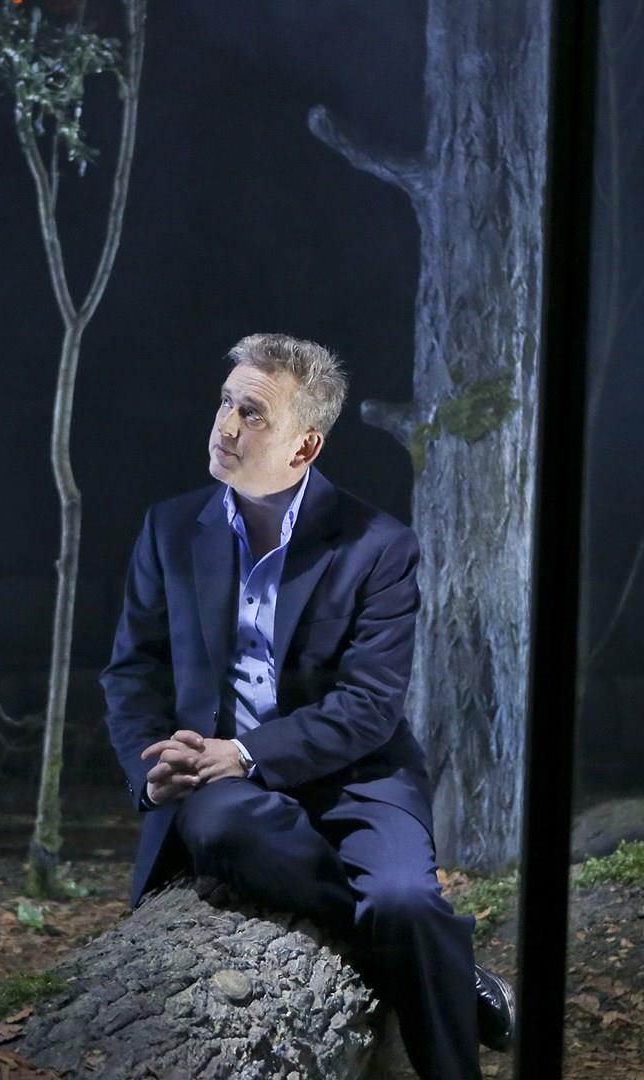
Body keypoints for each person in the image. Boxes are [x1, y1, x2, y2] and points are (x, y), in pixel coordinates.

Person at [102, 333, 517, 1079]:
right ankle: (446, 969)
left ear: (305, 446)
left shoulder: (378, 546)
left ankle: (435, 986)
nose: (226, 426)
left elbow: (369, 705)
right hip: (223, 791)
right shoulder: (170, 528)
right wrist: (150, 767)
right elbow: (133, 673)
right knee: (222, 824)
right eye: (226, 403)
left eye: (252, 414)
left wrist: (248, 752)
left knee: (404, 899)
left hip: (358, 775)